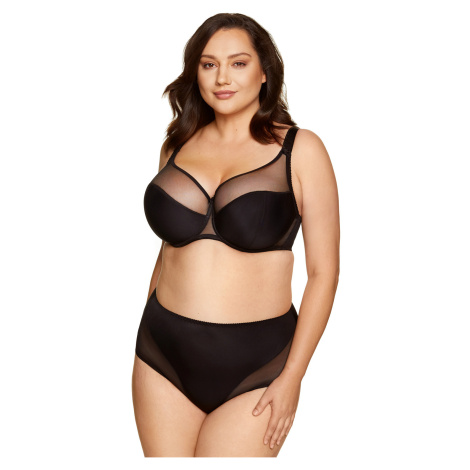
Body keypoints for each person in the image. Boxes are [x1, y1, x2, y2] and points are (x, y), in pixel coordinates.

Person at [132, 13, 340, 457]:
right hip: (162, 354)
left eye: (238, 63)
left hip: (257, 365)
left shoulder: (301, 150)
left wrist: (292, 377)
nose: (222, 77)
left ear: (265, 72)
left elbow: (324, 273)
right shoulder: (177, 145)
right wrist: (147, 318)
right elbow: (169, 249)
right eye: (209, 65)